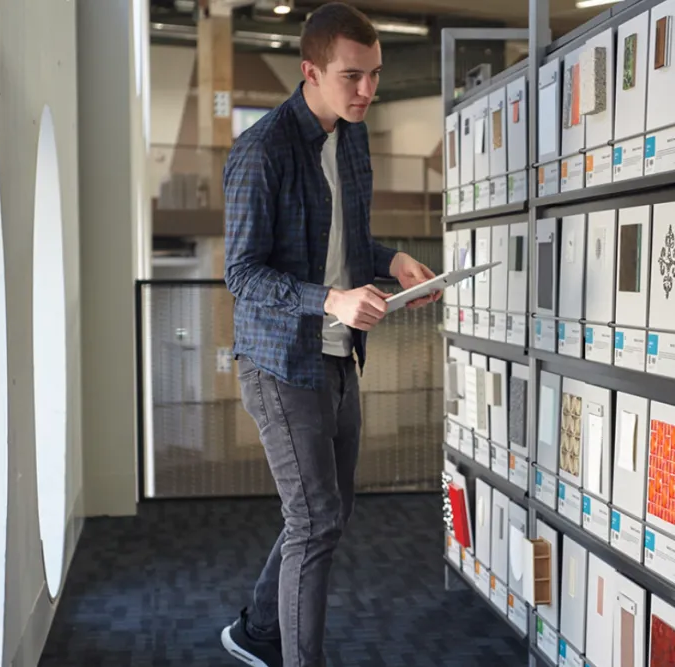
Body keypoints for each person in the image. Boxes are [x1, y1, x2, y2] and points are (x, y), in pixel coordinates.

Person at [218, 4, 439, 667]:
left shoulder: (352, 137)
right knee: (314, 519)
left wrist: (393, 260)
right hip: (280, 361)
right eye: (351, 76)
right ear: (310, 72)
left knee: (330, 513)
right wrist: (332, 300)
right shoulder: (261, 150)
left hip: (340, 355)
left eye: (375, 75)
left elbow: (342, 243)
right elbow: (242, 273)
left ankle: (258, 629)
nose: (367, 90)